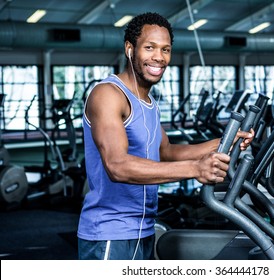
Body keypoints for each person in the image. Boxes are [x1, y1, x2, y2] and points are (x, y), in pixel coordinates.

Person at [77, 12, 254, 260]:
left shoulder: (148, 101)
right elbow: (117, 165)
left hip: (144, 228)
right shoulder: (108, 94)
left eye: (165, 49)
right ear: (130, 49)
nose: (159, 57)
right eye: (150, 47)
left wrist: (225, 141)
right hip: (110, 231)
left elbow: (166, 152)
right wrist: (195, 169)